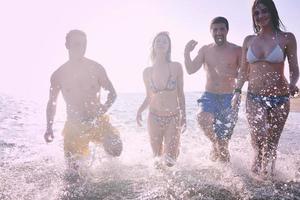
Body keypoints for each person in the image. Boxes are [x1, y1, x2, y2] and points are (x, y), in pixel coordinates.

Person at [232, 0, 299, 177]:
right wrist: (237, 92)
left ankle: (268, 178)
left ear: (272, 12)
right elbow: (243, 72)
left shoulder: (287, 38)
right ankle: (255, 176)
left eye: (264, 11)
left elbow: (294, 69)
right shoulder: (249, 40)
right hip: (254, 96)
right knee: (259, 139)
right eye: (257, 13)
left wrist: (293, 83)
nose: (261, 16)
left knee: (271, 144)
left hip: (280, 98)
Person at [44, 30, 122, 168]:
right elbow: (52, 103)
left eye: (84, 44)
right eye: (77, 44)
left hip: (97, 121)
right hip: (74, 125)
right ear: (67, 45)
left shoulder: (96, 68)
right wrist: (49, 127)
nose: (81, 48)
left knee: (116, 148)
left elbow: (112, 93)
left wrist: (104, 108)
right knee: (74, 173)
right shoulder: (58, 75)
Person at [184, 17, 241, 162]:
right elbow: (190, 70)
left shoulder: (237, 50)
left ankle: (225, 178)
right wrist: (186, 52)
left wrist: (234, 75)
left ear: (227, 30)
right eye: (215, 29)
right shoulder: (205, 50)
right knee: (202, 118)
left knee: (223, 146)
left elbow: (245, 74)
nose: (218, 32)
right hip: (209, 95)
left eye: (222, 29)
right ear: (211, 31)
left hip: (229, 98)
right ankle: (215, 143)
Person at [136, 32, 186, 167]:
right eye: (158, 41)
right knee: (157, 160)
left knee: (170, 161)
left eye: (165, 41)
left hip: (173, 117)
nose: (161, 44)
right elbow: (149, 96)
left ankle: (174, 150)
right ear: (153, 46)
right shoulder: (147, 72)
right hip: (154, 117)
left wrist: (184, 116)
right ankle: (161, 187)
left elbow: (180, 94)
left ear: (169, 46)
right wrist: (139, 111)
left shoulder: (176, 67)